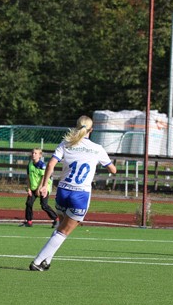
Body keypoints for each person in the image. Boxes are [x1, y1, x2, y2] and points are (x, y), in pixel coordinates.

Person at [29, 115, 116, 271]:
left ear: (76, 127)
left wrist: (43, 185)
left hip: (62, 192)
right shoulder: (97, 149)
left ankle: (46, 261)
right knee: (63, 231)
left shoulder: (66, 143)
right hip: (80, 195)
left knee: (60, 229)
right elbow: (112, 169)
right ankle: (37, 261)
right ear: (92, 130)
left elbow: (51, 164)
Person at [20, 148, 59, 228]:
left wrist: (40, 188)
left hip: (44, 187)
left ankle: (56, 219)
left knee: (44, 205)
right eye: (33, 153)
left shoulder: (42, 165)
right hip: (34, 187)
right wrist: (29, 188)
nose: (33, 154)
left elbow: (44, 177)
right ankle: (29, 221)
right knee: (29, 203)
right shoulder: (30, 164)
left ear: (40, 155)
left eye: (36, 153)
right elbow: (28, 177)